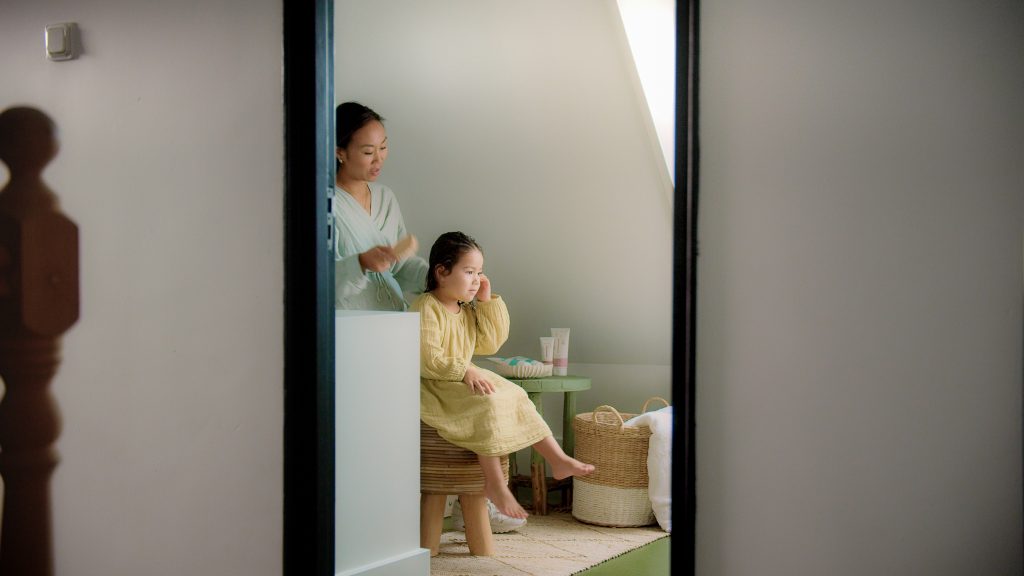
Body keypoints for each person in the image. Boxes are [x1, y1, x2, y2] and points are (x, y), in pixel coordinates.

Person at [412, 232, 595, 520]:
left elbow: (490, 344)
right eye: (469, 272)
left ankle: (557, 459)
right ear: (442, 272)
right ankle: (495, 483)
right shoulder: (426, 307)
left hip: (463, 378)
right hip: (437, 385)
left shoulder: (465, 310)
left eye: (480, 273)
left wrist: (486, 303)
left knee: (516, 394)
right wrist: (464, 369)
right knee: (487, 402)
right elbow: (427, 358)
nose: (476, 280)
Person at [333, 102, 427, 310]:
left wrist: (437, 277)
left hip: (393, 317)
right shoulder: (325, 204)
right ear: (340, 153)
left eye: (383, 147)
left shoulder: (386, 198)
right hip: (352, 322)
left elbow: (400, 266)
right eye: (368, 152)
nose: (379, 159)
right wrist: (361, 263)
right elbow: (318, 279)